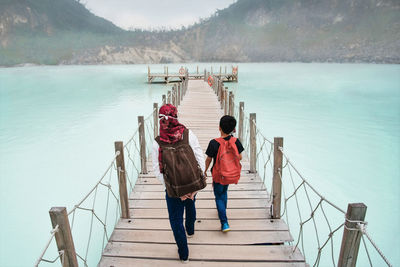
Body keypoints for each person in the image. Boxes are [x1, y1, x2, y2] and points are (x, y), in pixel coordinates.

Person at [152, 104, 205, 263]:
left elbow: (157, 171)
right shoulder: (189, 134)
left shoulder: (157, 143)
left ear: (160, 120)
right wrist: (194, 186)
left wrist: (174, 190)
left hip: (173, 190)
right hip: (191, 183)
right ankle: (191, 230)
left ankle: (184, 254)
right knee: (191, 204)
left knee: (175, 220)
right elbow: (199, 159)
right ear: (176, 117)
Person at [204, 115, 244, 232]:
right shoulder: (236, 141)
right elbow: (240, 157)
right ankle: (222, 210)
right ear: (233, 129)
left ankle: (224, 222)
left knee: (219, 196)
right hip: (230, 173)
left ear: (219, 127)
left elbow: (208, 159)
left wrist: (204, 170)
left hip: (218, 174)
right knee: (224, 191)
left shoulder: (214, 143)